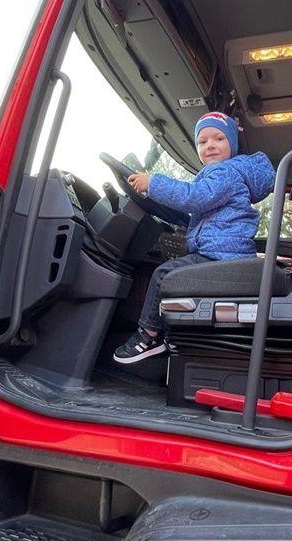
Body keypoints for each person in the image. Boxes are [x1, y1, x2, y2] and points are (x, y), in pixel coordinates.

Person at [113, 111, 275, 364]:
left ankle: (148, 336)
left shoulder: (225, 172)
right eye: (202, 141)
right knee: (173, 269)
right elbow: (194, 201)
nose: (210, 145)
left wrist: (153, 184)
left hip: (221, 254)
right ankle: (169, 335)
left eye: (219, 139)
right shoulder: (221, 174)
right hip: (222, 251)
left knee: (163, 274)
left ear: (232, 145)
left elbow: (194, 196)